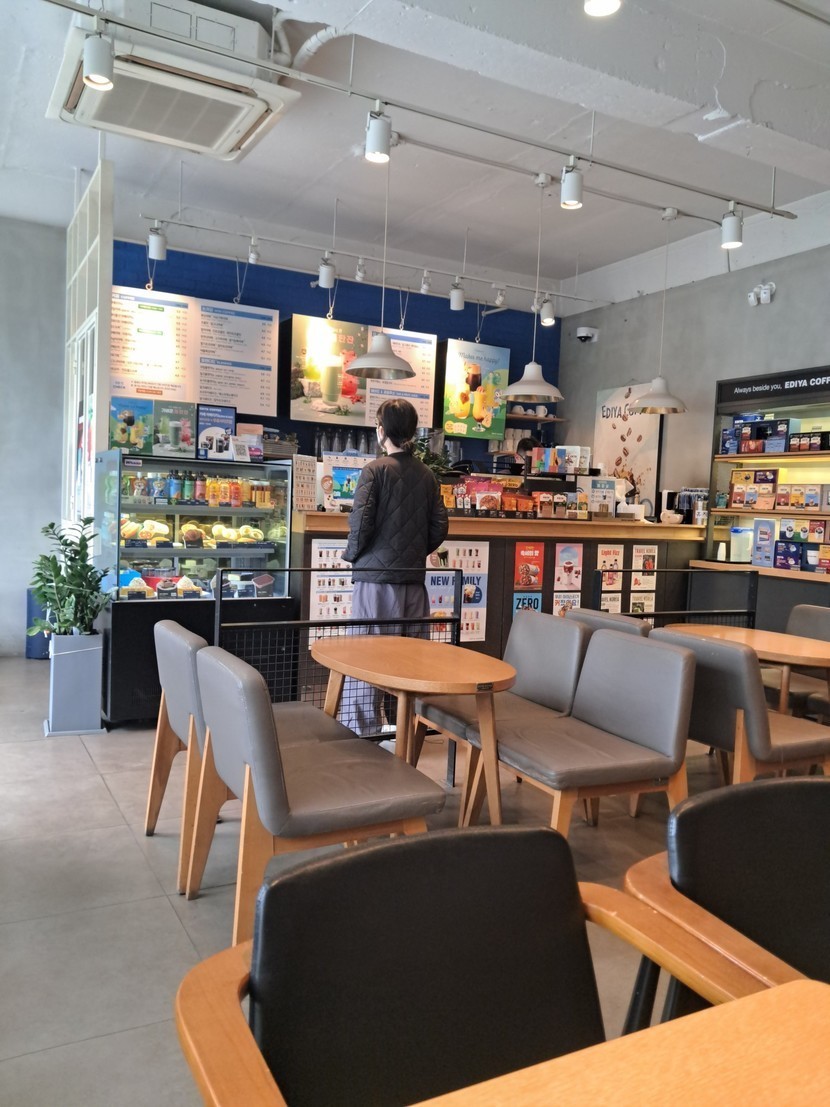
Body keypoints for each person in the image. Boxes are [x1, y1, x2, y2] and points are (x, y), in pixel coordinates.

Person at [341, 398, 449, 734]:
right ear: (412, 432)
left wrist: (352, 556)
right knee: (410, 664)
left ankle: (363, 736)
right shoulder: (428, 475)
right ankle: (406, 734)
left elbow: (360, 524)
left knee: (367, 660)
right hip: (414, 584)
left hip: (376, 583)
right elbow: (440, 527)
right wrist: (413, 552)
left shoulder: (374, 470)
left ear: (381, 430)